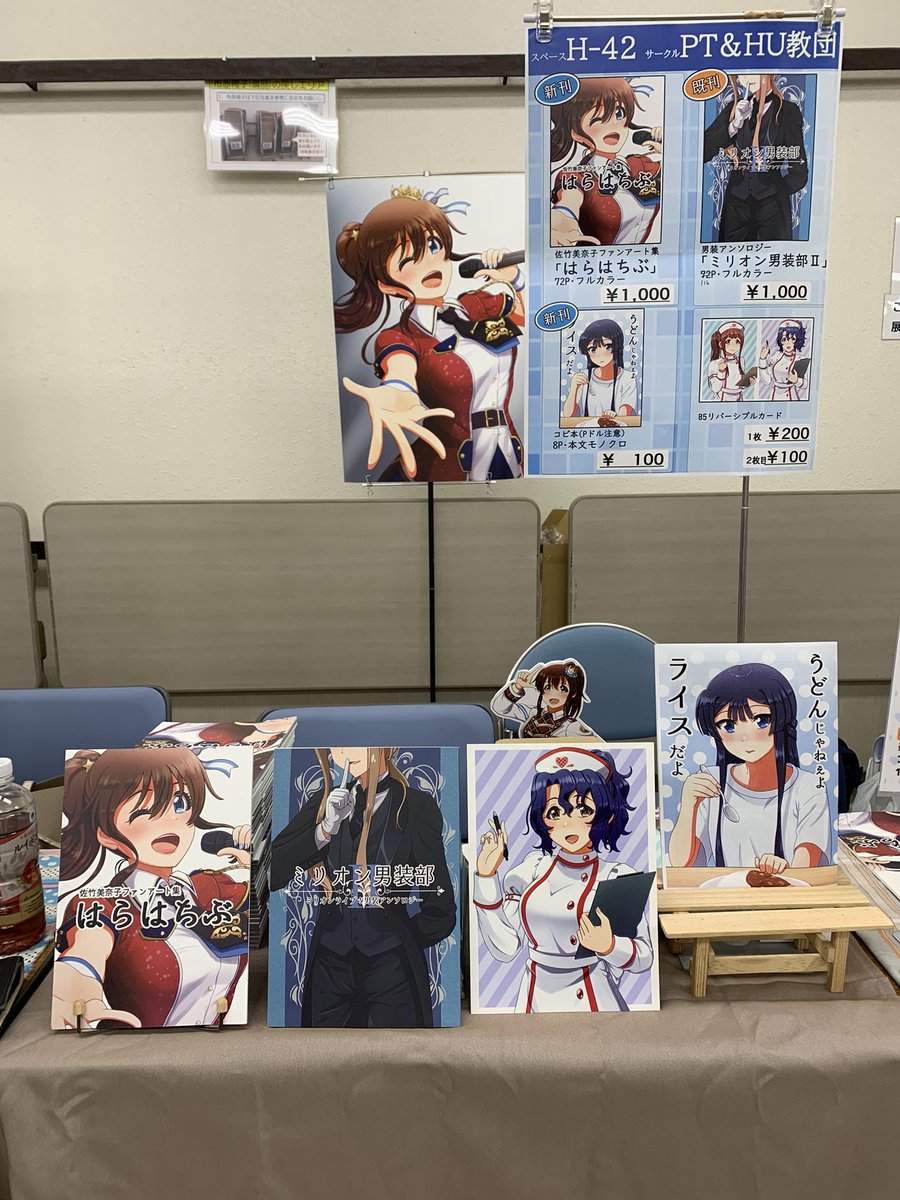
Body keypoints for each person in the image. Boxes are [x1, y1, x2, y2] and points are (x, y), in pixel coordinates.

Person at [52, 747, 251, 1030]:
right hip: (146, 1046)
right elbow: (86, 950)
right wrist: (76, 987)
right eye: (143, 811)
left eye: (180, 803)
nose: (170, 821)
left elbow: (274, 909)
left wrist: (256, 859)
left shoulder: (209, 886)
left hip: (225, 1039)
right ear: (106, 835)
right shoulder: (105, 904)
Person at [335, 188, 524, 482]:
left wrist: (514, 278)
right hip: (449, 468)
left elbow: (529, 317)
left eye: (434, 246)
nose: (429, 263)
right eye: (408, 259)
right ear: (387, 285)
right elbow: (400, 370)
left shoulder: (473, 305)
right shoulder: (400, 337)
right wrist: (397, 392)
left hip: (508, 453)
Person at [270, 747, 456, 1028]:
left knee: (401, 1051)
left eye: (355, 743)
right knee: (318, 1052)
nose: (345, 751)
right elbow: (275, 872)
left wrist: (402, 939)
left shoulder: (416, 806)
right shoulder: (324, 802)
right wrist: (325, 830)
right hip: (328, 966)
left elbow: (440, 905)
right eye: (338, 745)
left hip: (392, 968)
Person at [473, 747, 653, 1012]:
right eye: (555, 813)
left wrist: (610, 946)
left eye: (583, 810)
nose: (568, 824)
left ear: (607, 815)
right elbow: (506, 949)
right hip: (534, 995)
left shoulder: (616, 877)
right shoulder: (531, 870)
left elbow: (644, 957)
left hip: (592, 996)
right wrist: (486, 877)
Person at [668, 662, 831, 873]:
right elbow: (682, 866)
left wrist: (783, 869)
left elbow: (807, 866)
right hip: (724, 891)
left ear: (782, 718)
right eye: (728, 725)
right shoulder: (710, 783)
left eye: (761, 720)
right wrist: (688, 806)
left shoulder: (809, 787)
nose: (745, 736)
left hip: (784, 892)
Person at [549, 76, 663, 247]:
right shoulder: (577, 176)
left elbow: (684, 178)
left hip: (644, 261)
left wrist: (670, 149)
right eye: (597, 118)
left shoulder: (639, 164)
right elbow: (568, 203)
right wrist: (558, 224)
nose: (612, 125)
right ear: (576, 134)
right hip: (595, 262)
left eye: (619, 113)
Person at [703, 73, 808, 243]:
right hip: (735, 208)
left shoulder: (787, 111)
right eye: (742, 74)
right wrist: (734, 125)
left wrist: (776, 191)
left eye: (752, 71)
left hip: (772, 210)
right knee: (731, 257)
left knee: (770, 258)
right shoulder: (734, 108)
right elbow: (703, 151)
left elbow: (799, 169)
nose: (746, 78)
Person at [561, 319, 640, 427]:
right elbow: (568, 415)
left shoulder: (627, 378)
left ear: (617, 346)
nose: (600, 355)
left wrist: (615, 415)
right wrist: (574, 387)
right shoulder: (583, 377)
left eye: (608, 347)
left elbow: (625, 414)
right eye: (593, 349)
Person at [491, 659, 598, 738]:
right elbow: (500, 708)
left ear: (573, 693)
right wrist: (517, 687)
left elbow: (599, 750)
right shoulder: (533, 713)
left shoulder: (572, 726)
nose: (553, 694)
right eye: (547, 687)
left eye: (563, 689)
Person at [758, 319, 808, 402]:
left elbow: (806, 384)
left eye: (792, 339)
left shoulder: (801, 360)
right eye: (784, 339)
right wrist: (762, 359)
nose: (788, 343)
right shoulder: (775, 358)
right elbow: (767, 381)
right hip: (774, 396)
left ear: (798, 340)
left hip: (791, 397)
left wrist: (796, 381)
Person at [706, 320, 748, 403]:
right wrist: (721, 371)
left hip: (739, 398)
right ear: (721, 344)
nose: (733, 345)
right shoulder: (715, 364)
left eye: (737, 341)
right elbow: (715, 388)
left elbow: (739, 384)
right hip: (723, 398)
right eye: (728, 341)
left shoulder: (741, 360)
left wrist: (748, 382)